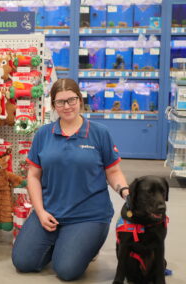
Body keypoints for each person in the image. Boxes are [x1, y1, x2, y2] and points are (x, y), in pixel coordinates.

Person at [12, 78, 130, 281]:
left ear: (80, 100)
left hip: (89, 215)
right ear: (54, 105)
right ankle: (65, 242)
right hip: (51, 211)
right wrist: (40, 212)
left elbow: (113, 172)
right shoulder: (43, 134)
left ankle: (85, 246)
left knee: (66, 271)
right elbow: (33, 176)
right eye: (60, 102)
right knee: (23, 262)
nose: (67, 106)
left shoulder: (99, 133)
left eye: (72, 100)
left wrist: (126, 192)